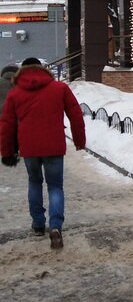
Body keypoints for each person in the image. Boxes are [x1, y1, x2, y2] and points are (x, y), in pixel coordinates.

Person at [0, 57, 86, 249]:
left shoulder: (15, 94)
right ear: (43, 70)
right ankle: (55, 226)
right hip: (53, 146)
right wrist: (79, 140)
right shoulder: (59, 88)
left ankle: (38, 224)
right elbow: (75, 114)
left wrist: (7, 151)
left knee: (34, 182)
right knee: (55, 186)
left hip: (29, 148)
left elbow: (7, 125)